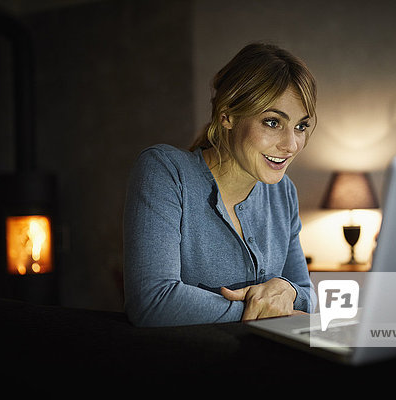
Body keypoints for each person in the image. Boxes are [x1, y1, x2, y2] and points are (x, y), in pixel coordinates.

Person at [123, 42, 317, 327]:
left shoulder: (283, 191)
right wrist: (261, 313)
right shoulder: (165, 171)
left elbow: (307, 294)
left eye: (301, 126)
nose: (291, 145)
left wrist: (288, 289)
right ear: (227, 116)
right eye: (273, 122)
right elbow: (152, 301)